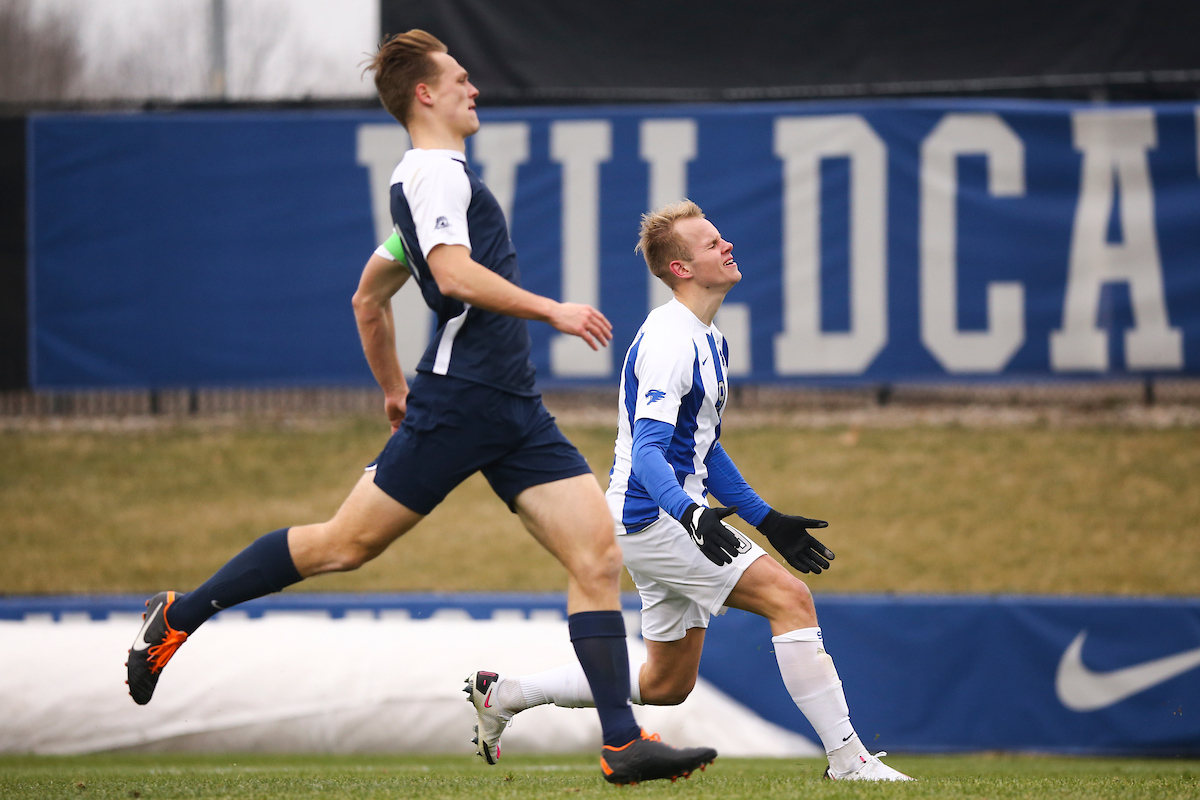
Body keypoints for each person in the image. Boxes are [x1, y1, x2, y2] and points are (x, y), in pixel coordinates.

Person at [125, 30, 716, 786]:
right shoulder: (434, 172)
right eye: (460, 78)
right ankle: (181, 615)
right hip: (467, 399)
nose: (475, 88)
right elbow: (452, 273)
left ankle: (622, 742)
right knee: (343, 546)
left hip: (509, 410)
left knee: (595, 554)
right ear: (424, 95)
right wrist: (552, 311)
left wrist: (392, 390)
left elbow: (370, 298)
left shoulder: (435, 181)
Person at [466, 200, 913, 782]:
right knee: (790, 599)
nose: (726, 247)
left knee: (666, 684)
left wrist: (765, 517)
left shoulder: (708, 339)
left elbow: (701, 448)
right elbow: (651, 453)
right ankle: (848, 759)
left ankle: (505, 694)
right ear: (680, 269)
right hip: (655, 520)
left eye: (721, 239)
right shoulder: (673, 342)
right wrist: (691, 514)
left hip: (660, 519)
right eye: (710, 245)